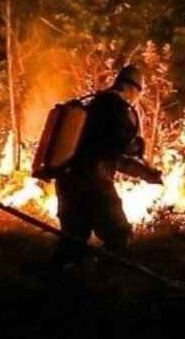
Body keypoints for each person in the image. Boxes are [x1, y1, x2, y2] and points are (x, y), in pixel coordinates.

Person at [51, 65, 162, 268]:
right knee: (119, 234)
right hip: (94, 183)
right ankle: (108, 284)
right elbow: (121, 150)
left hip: (67, 182)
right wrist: (138, 147)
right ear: (135, 88)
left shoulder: (91, 105)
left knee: (73, 242)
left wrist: (144, 174)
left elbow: (110, 155)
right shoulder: (118, 109)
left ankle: (58, 285)